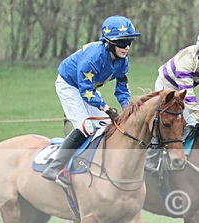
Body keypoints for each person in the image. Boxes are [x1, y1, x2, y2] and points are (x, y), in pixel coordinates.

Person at [42, 15, 141, 183]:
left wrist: (128, 110)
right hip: (70, 85)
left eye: (129, 42)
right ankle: (54, 168)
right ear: (109, 43)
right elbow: (85, 91)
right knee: (85, 127)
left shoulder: (123, 61)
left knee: (107, 126)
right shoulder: (93, 58)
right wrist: (105, 108)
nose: (127, 47)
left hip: (89, 89)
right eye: (122, 43)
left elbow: (122, 90)